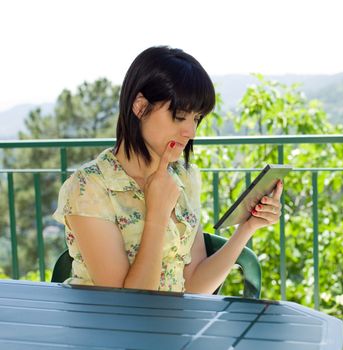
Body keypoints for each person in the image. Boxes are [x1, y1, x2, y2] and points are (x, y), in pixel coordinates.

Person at [53, 46, 283, 293]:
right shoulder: (89, 187)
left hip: (171, 327)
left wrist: (247, 226)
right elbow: (128, 308)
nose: (191, 132)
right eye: (180, 116)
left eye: (196, 119)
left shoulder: (184, 177)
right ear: (140, 107)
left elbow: (193, 286)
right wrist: (157, 214)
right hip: (109, 328)